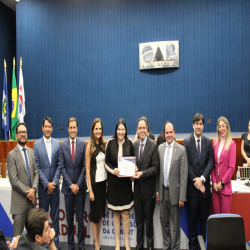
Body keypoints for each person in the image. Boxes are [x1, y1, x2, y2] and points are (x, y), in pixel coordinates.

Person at [183, 113, 214, 250]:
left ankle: (204, 247)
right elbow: (187, 164)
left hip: (205, 191)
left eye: (201, 124)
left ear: (203, 125)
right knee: (192, 221)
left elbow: (211, 162)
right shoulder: (187, 142)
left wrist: (201, 180)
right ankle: (192, 246)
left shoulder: (208, 142)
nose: (199, 126)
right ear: (193, 125)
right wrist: (196, 182)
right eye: (196, 124)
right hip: (192, 192)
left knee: (204, 223)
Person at [156, 121, 188, 250]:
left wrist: (182, 197)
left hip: (175, 194)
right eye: (166, 132)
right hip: (162, 193)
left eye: (171, 132)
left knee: (175, 226)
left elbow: (184, 175)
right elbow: (158, 172)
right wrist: (157, 192)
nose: (169, 135)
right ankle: (166, 247)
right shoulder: (160, 148)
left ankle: (175, 248)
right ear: (164, 134)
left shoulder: (181, 150)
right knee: (164, 224)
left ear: (174, 133)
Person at [105, 118, 134, 250]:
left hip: (126, 185)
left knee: (125, 214)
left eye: (123, 129)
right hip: (113, 184)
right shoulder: (110, 143)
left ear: (125, 130)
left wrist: (134, 170)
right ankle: (117, 243)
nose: (121, 132)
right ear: (116, 130)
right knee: (116, 214)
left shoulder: (130, 144)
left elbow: (133, 163)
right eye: (119, 129)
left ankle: (126, 242)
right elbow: (106, 163)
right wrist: (113, 170)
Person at [59, 117, 87, 250]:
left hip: (80, 189)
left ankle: (81, 245)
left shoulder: (83, 144)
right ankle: (71, 246)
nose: (72, 130)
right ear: (68, 129)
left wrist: (78, 185)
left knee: (80, 220)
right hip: (68, 189)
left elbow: (84, 167)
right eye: (70, 127)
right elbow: (62, 167)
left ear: (77, 128)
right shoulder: (63, 145)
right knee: (69, 220)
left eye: (74, 127)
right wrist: (71, 185)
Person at [33, 117, 61, 249]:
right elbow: (37, 167)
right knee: (43, 221)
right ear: (42, 128)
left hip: (54, 189)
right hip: (43, 190)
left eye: (50, 126)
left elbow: (59, 165)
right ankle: (44, 247)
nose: (48, 128)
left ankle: (55, 245)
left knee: (55, 219)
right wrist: (47, 184)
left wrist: (53, 183)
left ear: (52, 128)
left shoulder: (57, 144)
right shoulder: (36, 145)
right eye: (46, 126)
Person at [7, 122, 39, 236]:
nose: (22, 134)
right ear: (16, 135)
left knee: (32, 237)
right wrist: (29, 192)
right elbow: (14, 181)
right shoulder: (11, 155)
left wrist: (34, 189)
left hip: (31, 204)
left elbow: (36, 173)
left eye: (24, 132)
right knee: (17, 239)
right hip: (19, 205)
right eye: (20, 132)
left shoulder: (31, 152)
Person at [133, 117, 159, 250]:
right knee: (138, 222)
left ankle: (150, 246)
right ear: (137, 130)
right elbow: (132, 166)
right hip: (137, 192)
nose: (142, 130)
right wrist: (133, 172)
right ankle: (139, 245)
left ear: (147, 129)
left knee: (148, 222)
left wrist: (142, 173)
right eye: (140, 128)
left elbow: (155, 168)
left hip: (149, 192)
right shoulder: (134, 145)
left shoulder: (154, 145)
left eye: (144, 128)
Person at [85, 118, 106, 250]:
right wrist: (90, 190)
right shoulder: (90, 147)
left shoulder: (104, 144)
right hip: (94, 186)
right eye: (96, 129)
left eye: (100, 128)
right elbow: (87, 169)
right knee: (94, 216)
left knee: (100, 215)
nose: (98, 131)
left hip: (103, 185)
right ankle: (96, 243)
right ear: (92, 130)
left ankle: (97, 240)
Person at [211, 116, 236, 213]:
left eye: (223, 126)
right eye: (219, 127)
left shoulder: (232, 144)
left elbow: (232, 168)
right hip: (215, 189)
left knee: (224, 221)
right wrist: (214, 182)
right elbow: (212, 165)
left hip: (225, 188)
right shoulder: (214, 143)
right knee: (217, 220)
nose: (221, 129)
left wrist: (222, 183)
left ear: (227, 127)